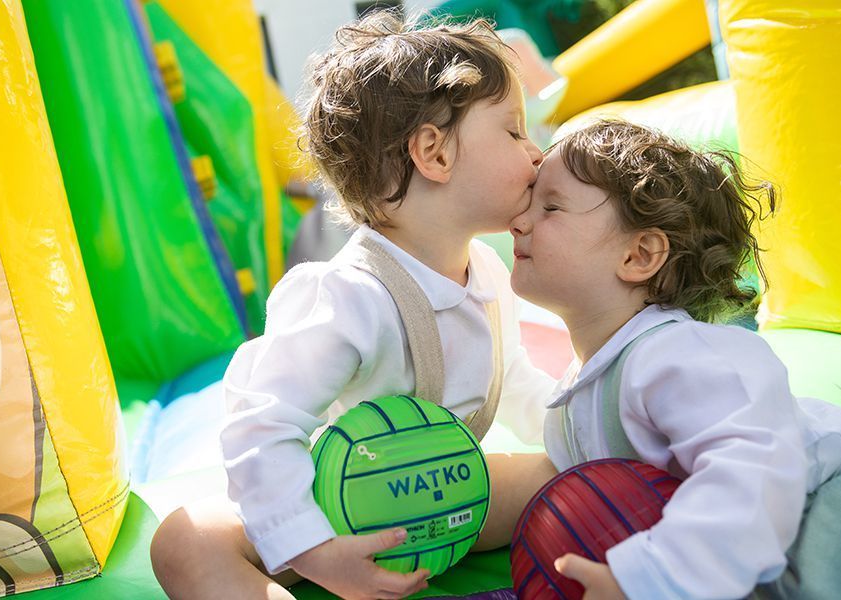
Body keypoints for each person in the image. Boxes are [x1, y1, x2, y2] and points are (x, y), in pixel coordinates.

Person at [150, 11, 559, 600]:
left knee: (558, 473)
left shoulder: (487, 274)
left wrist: (584, 432)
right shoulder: (347, 295)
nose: (537, 152)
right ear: (434, 154)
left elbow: (514, 381)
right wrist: (316, 551)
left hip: (447, 497)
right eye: (516, 132)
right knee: (187, 541)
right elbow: (264, 422)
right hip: (336, 512)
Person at [509, 119, 841, 599]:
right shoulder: (579, 393)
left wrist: (652, 578)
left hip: (833, 506)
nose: (519, 221)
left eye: (550, 206)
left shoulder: (676, 354)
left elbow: (754, 471)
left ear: (639, 255)